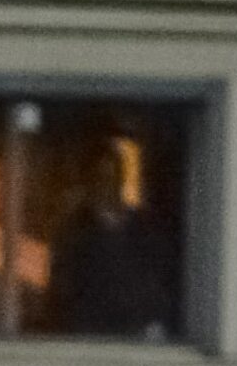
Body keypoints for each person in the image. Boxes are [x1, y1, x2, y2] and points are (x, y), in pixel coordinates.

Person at [44, 143, 174, 338]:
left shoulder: (142, 229)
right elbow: (61, 289)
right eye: (101, 178)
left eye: (114, 177)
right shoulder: (75, 231)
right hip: (89, 336)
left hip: (135, 336)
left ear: (122, 180)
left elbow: (154, 282)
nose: (108, 186)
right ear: (90, 182)